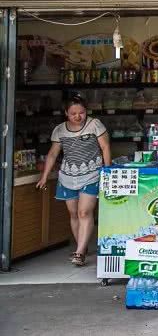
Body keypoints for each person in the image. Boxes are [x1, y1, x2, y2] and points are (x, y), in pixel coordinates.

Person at [36, 95, 111, 266]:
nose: (78, 116)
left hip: (91, 173)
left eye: (81, 112)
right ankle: (81, 247)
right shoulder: (59, 130)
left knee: (84, 212)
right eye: (73, 114)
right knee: (73, 213)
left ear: (86, 112)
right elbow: (53, 154)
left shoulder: (95, 125)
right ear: (66, 113)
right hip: (67, 175)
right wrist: (44, 176)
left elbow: (105, 147)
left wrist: (107, 171)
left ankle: (79, 253)